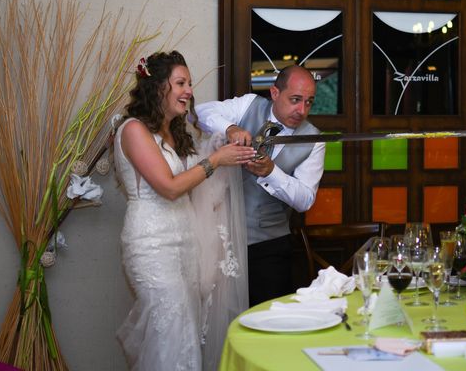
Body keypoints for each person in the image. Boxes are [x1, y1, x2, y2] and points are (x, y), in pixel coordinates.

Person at [114, 51, 255, 371]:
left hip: (186, 242)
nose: (189, 90)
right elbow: (169, 186)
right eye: (180, 83)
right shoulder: (134, 130)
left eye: (189, 83)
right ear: (157, 87)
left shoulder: (175, 133)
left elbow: (196, 180)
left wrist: (227, 145)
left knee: (187, 333)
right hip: (152, 245)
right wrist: (216, 160)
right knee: (171, 334)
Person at [195, 65, 326, 306]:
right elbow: (200, 112)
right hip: (221, 241)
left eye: (309, 102)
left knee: (267, 319)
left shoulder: (314, 139)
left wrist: (272, 172)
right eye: (295, 100)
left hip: (268, 248)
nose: (301, 110)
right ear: (275, 93)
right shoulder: (249, 104)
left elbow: (305, 200)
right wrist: (230, 128)